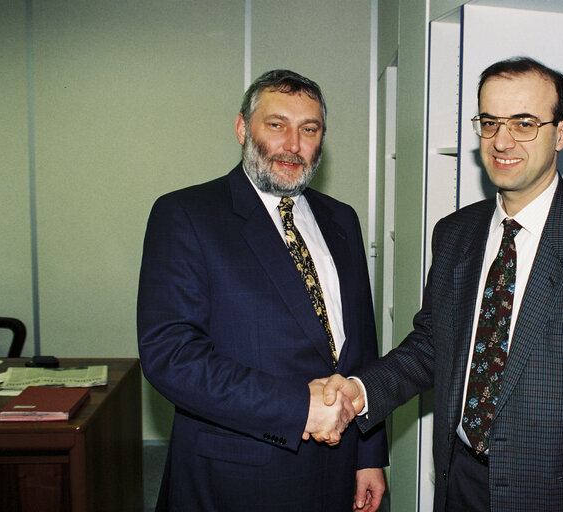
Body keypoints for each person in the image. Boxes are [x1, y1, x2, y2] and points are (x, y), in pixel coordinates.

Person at [322, 57, 563, 511]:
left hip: (557, 496)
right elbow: (431, 345)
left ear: (562, 132)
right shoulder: (454, 233)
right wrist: (361, 390)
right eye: (490, 122)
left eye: (524, 123)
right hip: (459, 480)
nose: (502, 141)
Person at [137, 69, 387, 512]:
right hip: (237, 478)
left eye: (309, 129)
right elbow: (171, 357)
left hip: (337, 469)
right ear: (242, 129)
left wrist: (368, 456)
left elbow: (361, 345)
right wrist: (297, 407)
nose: (293, 144)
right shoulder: (186, 215)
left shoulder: (341, 219)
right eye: (277, 125)